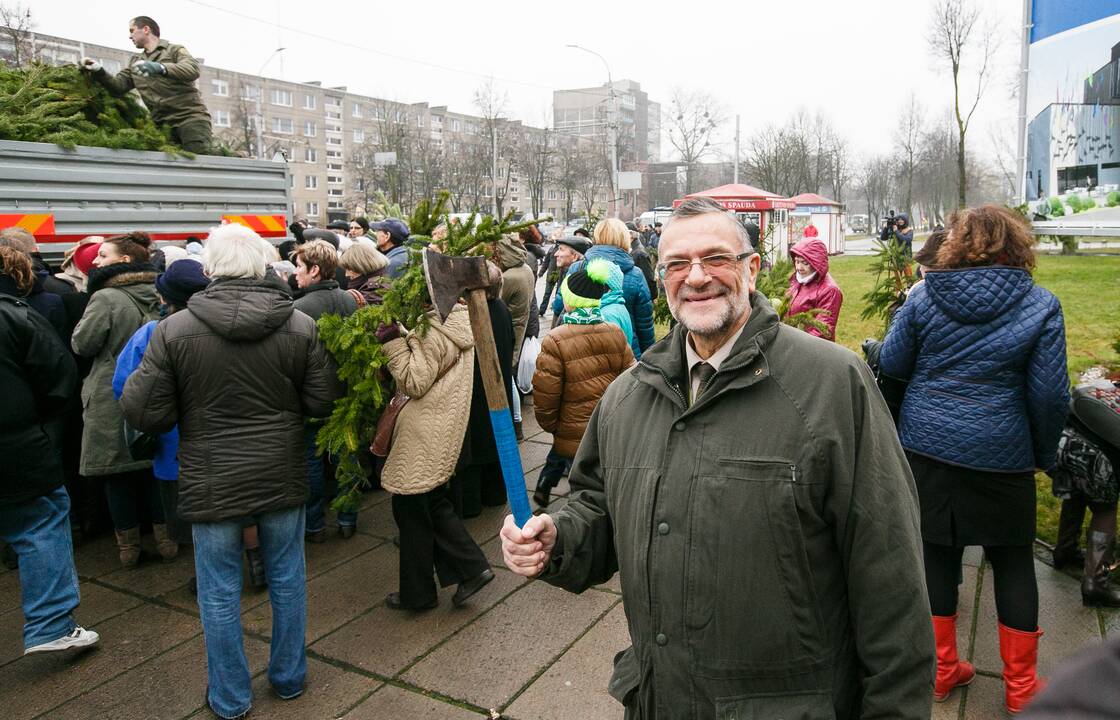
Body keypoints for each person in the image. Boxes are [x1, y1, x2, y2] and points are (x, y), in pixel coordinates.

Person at [502, 196, 934, 719]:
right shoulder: (627, 397)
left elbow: (890, 575)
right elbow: (597, 506)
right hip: (660, 701)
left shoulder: (832, 386)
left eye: (716, 258)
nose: (697, 276)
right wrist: (559, 539)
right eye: (678, 264)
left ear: (751, 269)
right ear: (661, 278)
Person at [121, 223, 339, 719]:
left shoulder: (174, 330)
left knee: (218, 588)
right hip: (280, 470)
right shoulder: (298, 325)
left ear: (210, 268)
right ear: (263, 264)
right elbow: (322, 399)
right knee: (287, 576)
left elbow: (145, 411)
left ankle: (230, 697)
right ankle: (288, 677)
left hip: (210, 475)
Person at [879, 204, 1069, 714]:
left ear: (957, 241)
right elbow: (1051, 398)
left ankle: (941, 672)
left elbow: (893, 363)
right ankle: (1022, 688)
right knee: (1011, 561)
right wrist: (1043, 455)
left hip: (927, 446)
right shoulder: (1040, 305)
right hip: (1003, 455)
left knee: (936, 554)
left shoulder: (923, 296)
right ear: (1018, 245)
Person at [0, 288, 101, 657]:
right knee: (39, 524)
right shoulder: (13, 316)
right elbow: (58, 376)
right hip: (15, 446)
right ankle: (50, 624)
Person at [376, 300, 494, 611]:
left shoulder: (434, 329)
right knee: (431, 505)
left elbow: (414, 381)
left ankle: (425, 592)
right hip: (438, 426)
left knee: (412, 508)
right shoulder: (454, 321)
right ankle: (468, 571)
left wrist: (391, 341)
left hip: (424, 429)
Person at [112, 258, 215, 592]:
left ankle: (206, 577)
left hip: (175, 447)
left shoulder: (154, 332)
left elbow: (125, 387)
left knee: (191, 517)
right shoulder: (224, 325)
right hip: (223, 442)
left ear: (166, 297)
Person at [71, 232, 171, 568]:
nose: (96, 262)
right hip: (155, 388)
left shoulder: (105, 298)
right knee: (154, 469)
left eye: (102, 255)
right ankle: (166, 539)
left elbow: (83, 344)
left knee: (117, 473)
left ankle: (128, 548)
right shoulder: (160, 290)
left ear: (123, 260)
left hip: (112, 393)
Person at [531, 259, 634, 507]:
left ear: (569, 301)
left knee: (575, 477)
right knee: (597, 477)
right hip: (605, 423)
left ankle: (570, 513)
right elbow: (630, 378)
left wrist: (551, 424)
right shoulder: (614, 332)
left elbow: (546, 392)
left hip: (570, 426)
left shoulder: (556, 339)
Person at [292, 240, 358, 540]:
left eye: (299, 267)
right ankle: (348, 520)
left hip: (312, 399)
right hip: (350, 394)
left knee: (312, 462)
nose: (295, 273)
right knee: (347, 459)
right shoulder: (349, 299)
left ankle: (315, 525)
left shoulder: (299, 309)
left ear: (314, 270)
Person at [80, 16, 212, 153]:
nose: (129, 36)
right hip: (161, 125)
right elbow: (118, 86)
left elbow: (192, 70)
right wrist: (99, 70)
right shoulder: (135, 61)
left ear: (146, 29)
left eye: (132, 30)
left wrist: (160, 67)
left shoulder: (174, 50)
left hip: (189, 119)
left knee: (198, 164)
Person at [1048, 375, 1120, 607]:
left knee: (1076, 490)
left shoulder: (1109, 386)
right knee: (1105, 509)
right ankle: (1095, 583)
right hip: (1096, 460)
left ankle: (1065, 551)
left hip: (1060, 444)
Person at [454, 262, 515, 518]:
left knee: (475, 446)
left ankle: (469, 504)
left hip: (477, 387)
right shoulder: (501, 308)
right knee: (495, 442)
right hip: (497, 384)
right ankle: (495, 494)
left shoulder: (471, 315)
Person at [554, 218, 654, 358]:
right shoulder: (635, 274)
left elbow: (559, 306)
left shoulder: (577, 268)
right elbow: (644, 325)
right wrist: (648, 358)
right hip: (626, 352)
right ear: (624, 238)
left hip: (580, 351)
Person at [495, 234, 534, 439]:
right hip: (519, 325)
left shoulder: (510, 277)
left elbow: (495, 300)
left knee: (507, 376)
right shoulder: (525, 268)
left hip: (509, 330)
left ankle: (516, 423)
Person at [785, 235, 843, 341]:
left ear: (816, 262)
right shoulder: (796, 280)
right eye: (797, 261)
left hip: (811, 348)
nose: (799, 267)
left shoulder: (830, 291)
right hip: (789, 340)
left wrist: (795, 343)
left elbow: (822, 329)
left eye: (805, 263)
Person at [539, 235, 591, 317]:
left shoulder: (576, 277)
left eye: (561, 249)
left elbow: (559, 307)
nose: (556, 254)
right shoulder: (569, 271)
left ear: (574, 256)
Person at [339, 242, 391, 307]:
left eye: (349, 269)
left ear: (361, 266)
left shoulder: (373, 291)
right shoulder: (378, 281)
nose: (347, 274)